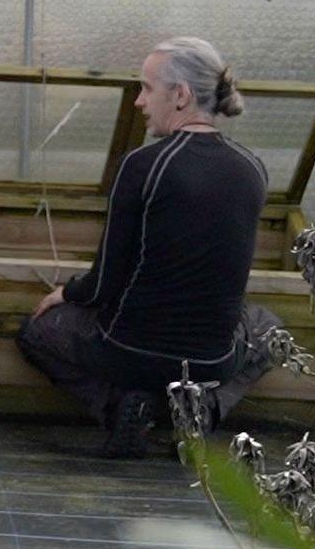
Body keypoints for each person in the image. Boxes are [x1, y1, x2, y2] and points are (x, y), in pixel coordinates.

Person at [17, 35, 285, 457]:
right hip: (212, 360)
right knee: (270, 328)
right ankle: (205, 410)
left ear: (179, 95)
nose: (139, 101)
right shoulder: (252, 170)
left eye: (146, 88)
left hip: (127, 352)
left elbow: (104, 283)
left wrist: (64, 292)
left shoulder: (142, 166)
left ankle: (122, 407)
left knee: (34, 330)